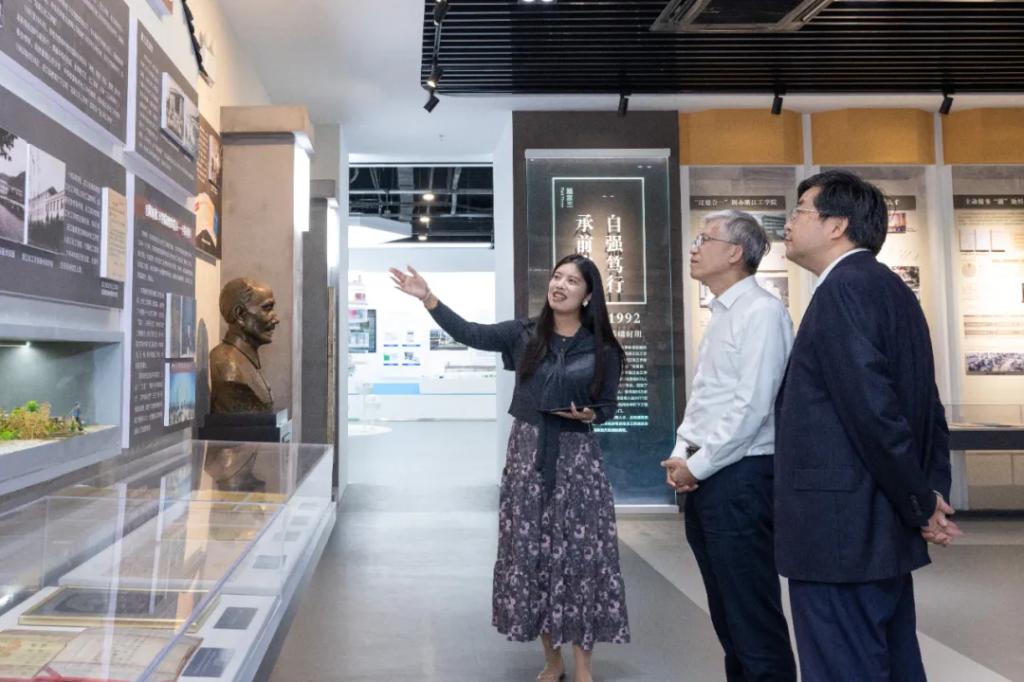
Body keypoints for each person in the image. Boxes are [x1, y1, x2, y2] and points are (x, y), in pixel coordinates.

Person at [390, 255, 629, 682]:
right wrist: (428, 298)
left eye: (572, 281)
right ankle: (553, 660)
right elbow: (471, 332)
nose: (560, 285)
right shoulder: (524, 334)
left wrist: (591, 415)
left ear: (588, 295)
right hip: (527, 455)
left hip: (577, 459)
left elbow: (608, 405)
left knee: (580, 559)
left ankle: (583, 667)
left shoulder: (603, 348)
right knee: (532, 555)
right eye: (557, 276)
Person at [775, 170, 961, 680]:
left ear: (837, 225)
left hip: (841, 536)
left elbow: (874, 412)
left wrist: (921, 501)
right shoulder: (889, 288)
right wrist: (928, 493)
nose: (788, 223)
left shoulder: (843, 291)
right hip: (876, 531)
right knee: (893, 664)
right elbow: (925, 404)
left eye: (800, 212)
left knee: (843, 666)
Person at [661, 210, 797, 681]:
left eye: (705, 239)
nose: (694, 248)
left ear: (735, 253)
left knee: (751, 614)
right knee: (727, 614)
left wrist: (696, 466)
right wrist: (682, 452)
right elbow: (706, 397)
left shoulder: (762, 312)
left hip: (741, 478)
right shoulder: (724, 312)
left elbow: (751, 407)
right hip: (712, 476)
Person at [210, 277, 279, 414]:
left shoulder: (246, 361)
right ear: (240, 314)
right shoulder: (229, 369)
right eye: (267, 308)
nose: (276, 319)